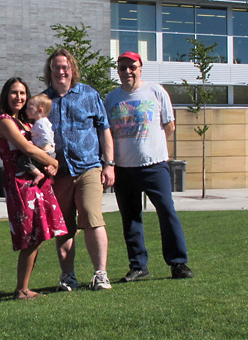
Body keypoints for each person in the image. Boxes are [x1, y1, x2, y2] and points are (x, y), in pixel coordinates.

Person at [105, 51, 193, 280]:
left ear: (140, 68)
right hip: (124, 168)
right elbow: (107, 134)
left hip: (155, 166)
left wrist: (153, 147)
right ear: (118, 71)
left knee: (166, 211)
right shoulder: (111, 99)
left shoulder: (156, 91)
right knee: (131, 218)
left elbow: (169, 126)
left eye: (131, 67)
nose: (127, 72)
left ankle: (178, 263)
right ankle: (138, 266)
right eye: (122, 67)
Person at [42, 48, 116, 291]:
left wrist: (109, 164)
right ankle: (68, 276)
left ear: (72, 69)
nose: (61, 71)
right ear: (50, 70)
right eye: (56, 67)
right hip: (58, 173)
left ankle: (100, 274)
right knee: (63, 226)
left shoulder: (89, 94)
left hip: (88, 168)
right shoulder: (43, 101)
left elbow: (104, 129)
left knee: (92, 216)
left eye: (65, 67)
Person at [0, 78, 68, 300]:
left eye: (23, 93)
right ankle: (21, 289)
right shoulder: (4, 121)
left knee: (39, 233)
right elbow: (26, 148)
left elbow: (38, 148)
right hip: (20, 183)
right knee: (29, 234)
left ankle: (24, 287)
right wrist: (53, 162)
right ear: (6, 96)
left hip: (37, 181)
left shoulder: (27, 121)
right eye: (14, 93)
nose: (19, 97)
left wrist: (48, 166)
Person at [13, 93, 55, 184]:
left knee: (23, 161)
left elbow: (46, 139)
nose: (26, 111)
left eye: (30, 108)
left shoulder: (41, 123)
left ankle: (38, 174)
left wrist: (35, 146)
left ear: (40, 110)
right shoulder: (42, 122)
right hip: (49, 152)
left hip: (45, 152)